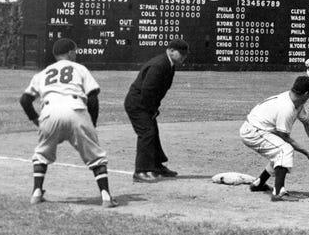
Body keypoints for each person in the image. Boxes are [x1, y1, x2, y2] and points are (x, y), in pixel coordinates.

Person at [19, 38, 118, 208]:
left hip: (49, 112)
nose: (76, 54)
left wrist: (37, 121)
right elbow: (93, 97)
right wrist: (91, 124)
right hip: (75, 110)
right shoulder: (80, 69)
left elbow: (24, 100)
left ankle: (36, 192)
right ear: (70, 52)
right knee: (96, 157)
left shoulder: (43, 73)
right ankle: (106, 196)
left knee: (42, 154)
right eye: (75, 51)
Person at [239, 76, 309, 202]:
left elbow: (306, 123)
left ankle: (259, 183)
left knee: (278, 152)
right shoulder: (286, 107)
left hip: (261, 128)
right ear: (306, 93)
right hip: (253, 131)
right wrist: (307, 153)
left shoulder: (297, 102)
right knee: (284, 150)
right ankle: (279, 192)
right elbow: (284, 136)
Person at [124, 39, 189, 182]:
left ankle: (156, 166)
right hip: (138, 104)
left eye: (185, 54)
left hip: (144, 103)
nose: (184, 57)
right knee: (147, 133)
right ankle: (140, 171)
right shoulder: (160, 64)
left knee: (153, 132)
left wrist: (153, 109)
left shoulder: (169, 64)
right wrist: (151, 109)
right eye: (181, 53)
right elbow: (147, 90)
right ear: (171, 50)